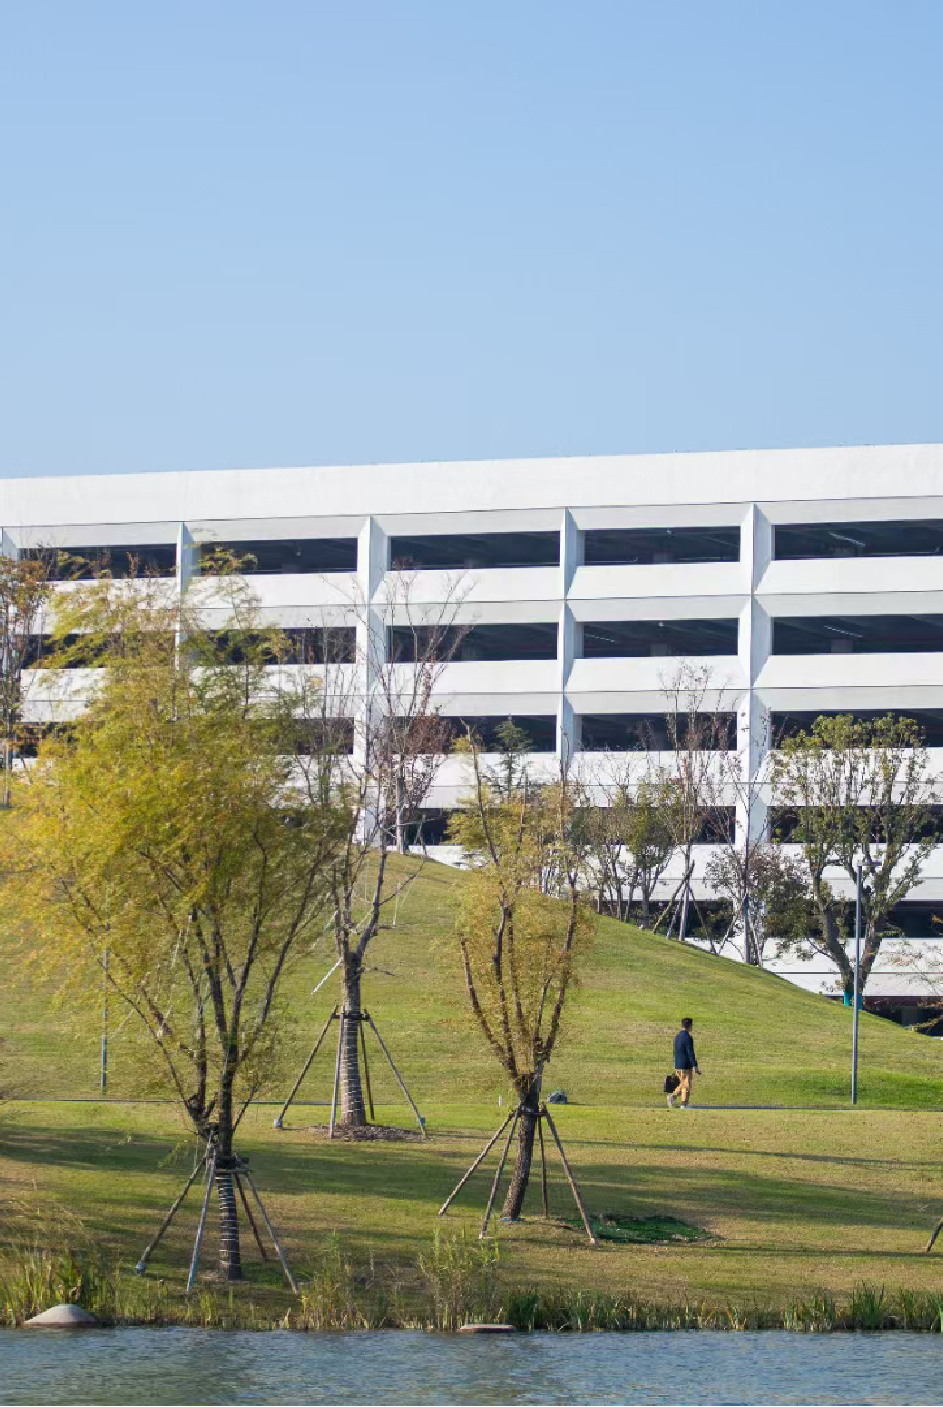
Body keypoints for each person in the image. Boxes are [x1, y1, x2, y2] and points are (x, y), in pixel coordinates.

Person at [667, 1017, 701, 1109]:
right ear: (690, 1026)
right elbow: (690, 1052)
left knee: (682, 1084)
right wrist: (695, 1065)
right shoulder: (688, 1037)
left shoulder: (677, 1036)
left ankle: (675, 1099)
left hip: (678, 1064)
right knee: (686, 1085)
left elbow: (676, 1051)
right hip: (686, 1065)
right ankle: (683, 1104)